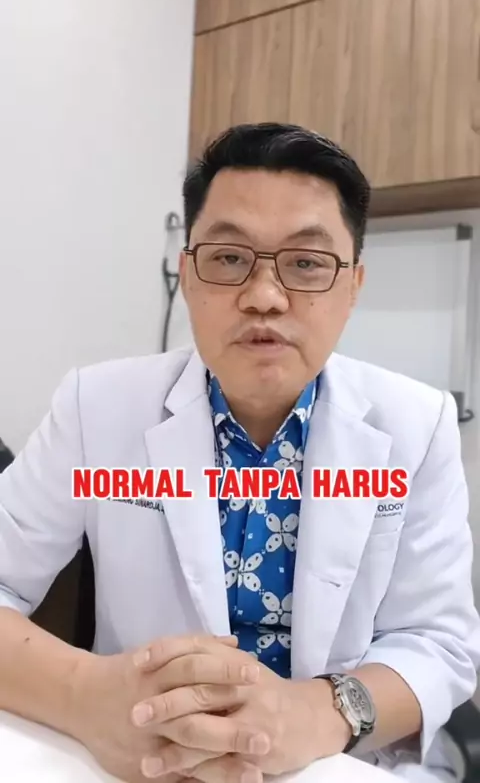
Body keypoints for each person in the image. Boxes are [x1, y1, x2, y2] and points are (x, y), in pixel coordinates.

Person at [0, 122, 478, 783]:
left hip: (337, 763)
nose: (264, 297)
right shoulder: (96, 407)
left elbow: (439, 642)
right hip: (140, 755)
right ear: (187, 274)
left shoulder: (417, 426)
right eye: (228, 258)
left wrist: (318, 713)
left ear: (353, 286)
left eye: (306, 263)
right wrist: (85, 695)